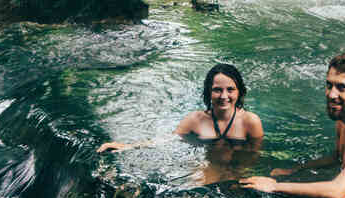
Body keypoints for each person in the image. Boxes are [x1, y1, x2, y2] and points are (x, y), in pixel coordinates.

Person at [240, 51, 345, 198]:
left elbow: (337, 193)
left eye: (341, 87)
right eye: (329, 85)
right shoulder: (343, 118)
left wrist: (274, 186)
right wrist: (295, 170)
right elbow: (338, 157)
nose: (331, 94)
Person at [98, 63, 264, 153]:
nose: (224, 96)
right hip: (209, 166)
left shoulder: (251, 121)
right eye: (217, 90)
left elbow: (253, 156)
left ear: (239, 91)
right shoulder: (195, 120)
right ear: (208, 91)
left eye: (230, 89)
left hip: (237, 170)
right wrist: (128, 146)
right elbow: (167, 140)